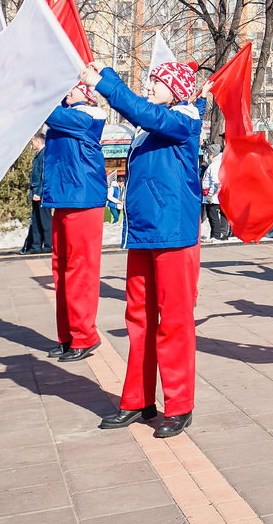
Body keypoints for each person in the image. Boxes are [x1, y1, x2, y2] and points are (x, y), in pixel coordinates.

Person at [85, 57, 203, 438]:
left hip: (174, 235)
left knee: (174, 321)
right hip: (143, 234)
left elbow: (144, 111)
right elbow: (142, 114)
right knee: (139, 320)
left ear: (177, 90)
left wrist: (105, 80)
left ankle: (179, 404)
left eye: (156, 81)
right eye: (149, 81)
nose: (149, 86)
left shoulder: (183, 121)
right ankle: (138, 400)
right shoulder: (147, 130)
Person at [42, 84, 109, 360]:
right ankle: (68, 336)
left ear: (89, 93)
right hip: (63, 198)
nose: (68, 91)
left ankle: (84, 336)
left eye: (75, 87)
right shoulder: (67, 114)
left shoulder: (88, 116)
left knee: (80, 271)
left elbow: (48, 111)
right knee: (61, 269)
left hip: (83, 199)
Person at [22, 143, 53, 253]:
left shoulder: (44, 154)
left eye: (32, 141)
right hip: (35, 191)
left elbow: (44, 176)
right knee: (36, 220)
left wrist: (39, 192)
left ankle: (48, 245)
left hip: (41, 193)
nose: (31, 144)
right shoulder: (38, 154)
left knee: (45, 220)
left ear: (38, 141)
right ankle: (36, 245)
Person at [201, 147, 230, 242]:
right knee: (221, 214)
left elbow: (215, 182)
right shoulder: (218, 163)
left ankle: (216, 234)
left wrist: (210, 195)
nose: (207, 156)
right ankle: (222, 233)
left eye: (208, 154)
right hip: (219, 194)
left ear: (213, 155)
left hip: (214, 196)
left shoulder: (215, 165)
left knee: (212, 215)